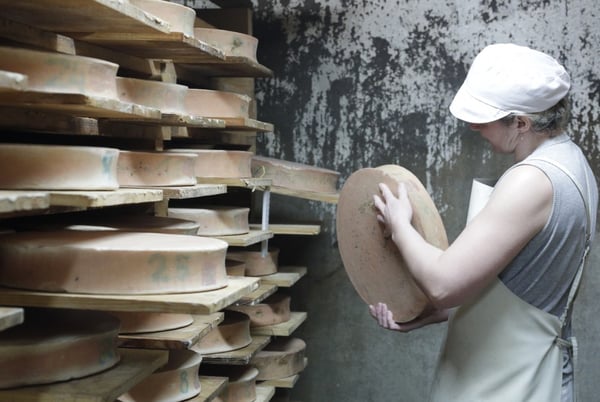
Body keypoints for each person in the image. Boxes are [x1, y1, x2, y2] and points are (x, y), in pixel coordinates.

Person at [370, 43, 598, 402]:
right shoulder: (572, 162)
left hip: (512, 384)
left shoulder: (533, 181)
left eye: (484, 120)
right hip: (512, 374)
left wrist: (400, 226)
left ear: (521, 123)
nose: (474, 126)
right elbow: (523, 285)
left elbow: (445, 284)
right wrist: (429, 313)